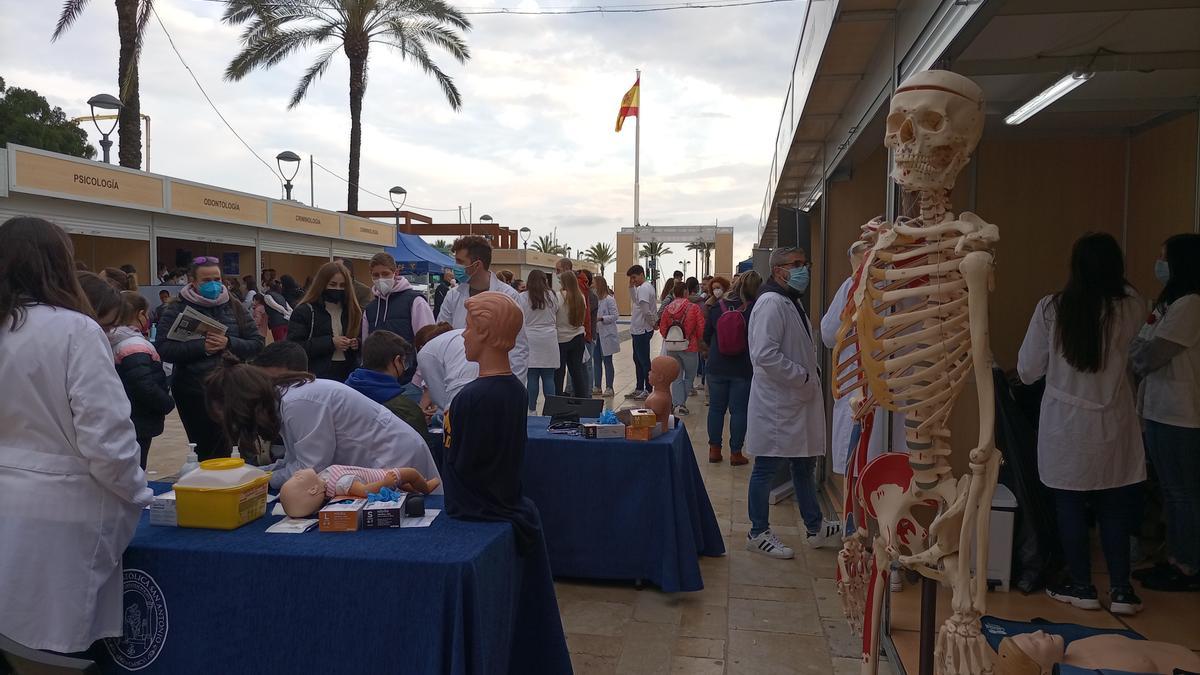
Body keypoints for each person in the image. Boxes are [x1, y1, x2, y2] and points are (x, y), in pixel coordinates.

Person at [0, 217, 152, 654]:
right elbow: (107, 439)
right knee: (52, 650)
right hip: (60, 515)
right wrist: (137, 492)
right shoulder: (74, 329)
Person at [1018, 233, 1146, 615]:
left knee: (1069, 505)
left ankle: (1082, 586)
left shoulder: (1051, 309)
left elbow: (1026, 371)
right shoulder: (1130, 307)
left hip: (1066, 425)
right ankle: (1122, 590)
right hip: (1114, 423)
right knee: (1113, 508)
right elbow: (1126, 294)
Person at [205, 354, 439, 491]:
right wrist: (257, 472)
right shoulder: (287, 399)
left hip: (393, 457)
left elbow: (308, 471)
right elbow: (295, 461)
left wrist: (254, 480)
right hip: (381, 458)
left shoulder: (298, 403)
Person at [745, 247, 840, 558]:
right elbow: (764, 355)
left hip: (794, 401)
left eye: (805, 264)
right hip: (778, 403)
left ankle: (815, 527)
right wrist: (800, 376)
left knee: (804, 463)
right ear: (778, 271)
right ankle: (758, 531)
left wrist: (807, 373)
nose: (803, 270)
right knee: (766, 467)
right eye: (796, 265)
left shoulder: (789, 301)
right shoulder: (772, 303)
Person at [1131, 232, 1200, 592]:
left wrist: (1140, 351)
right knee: (1172, 490)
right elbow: (1140, 346)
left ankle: (1186, 564)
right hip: (1160, 410)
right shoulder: (1170, 302)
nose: (1160, 264)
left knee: (1181, 492)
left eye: (1164, 257)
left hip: (1180, 415)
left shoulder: (1191, 304)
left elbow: (1149, 354)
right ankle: (1175, 557)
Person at [155, 255, 263, 461]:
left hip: (232, 387)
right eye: (206, 281)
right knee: (208, 450)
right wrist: (201, 347)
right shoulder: (176, 308)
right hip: (194, 391)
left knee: (239, 448)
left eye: (217, 279)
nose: (213, 285)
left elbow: (257, 344)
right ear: (192, 282)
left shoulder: (235, 306)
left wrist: (228, 343)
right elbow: (164, 348)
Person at [820, 242, 908, 476]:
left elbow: (828, 334)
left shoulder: (853, 286)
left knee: (861, 466)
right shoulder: (909, 285)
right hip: (887, 390)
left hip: (866, 391)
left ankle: (854, 513)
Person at [437, 235, 529, 383]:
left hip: (495, 380)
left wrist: (515, 385)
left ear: (477, 265)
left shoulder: (508, 296)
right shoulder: (453, 296)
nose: (455, 268)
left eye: (460, 262)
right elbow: (440, 338)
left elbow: (518, 347)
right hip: (456, 377)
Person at [108, 291, 175, 469]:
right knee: (137, 466)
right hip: (139, 418)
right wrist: (166, 402)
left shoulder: (112, 340)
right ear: (140, 315)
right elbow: (143, 384)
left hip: (126, 416)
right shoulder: (134, 346)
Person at [704, 271, 759, 465]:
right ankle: (736, 453)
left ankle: (714, 450)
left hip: (716, 366)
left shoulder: (716, 308)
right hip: (742, 368)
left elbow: (706, 335)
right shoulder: (752, 309)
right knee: (739, 411)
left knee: (716, 410)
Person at [364, 252, 435, 399]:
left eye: (385, 273)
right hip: (378, 384)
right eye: (376, 275)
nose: (380, 279)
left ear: (395, 272)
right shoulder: (370, 309)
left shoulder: (415, 302)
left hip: (409, 383)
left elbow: (429, 343)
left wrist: (418, 381)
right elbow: (366, 348)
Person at [344, 330, 431, 444]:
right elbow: (421, 451)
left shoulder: (344, 393)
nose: (405, 367)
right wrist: (418, 419)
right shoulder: (405, 410)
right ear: (396, 361)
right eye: (404, 362)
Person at [287, 261, 363, 382]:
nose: (337, 289)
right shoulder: (305, 310)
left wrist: (357, 343)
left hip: (348, 371)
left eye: (342, 285)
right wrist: (331, 342)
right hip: (317, 373)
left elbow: (363, 338)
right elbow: (294, 347)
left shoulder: (352, 310)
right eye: (332, 284)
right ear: (322, 284)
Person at [658, 281, 705, 416]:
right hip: (690, 346)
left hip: (672, 347)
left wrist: (672, 338)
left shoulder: (668, 309)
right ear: (686, 292)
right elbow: (701, 328)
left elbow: (662, 329)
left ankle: (678, 404)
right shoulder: (693, 308)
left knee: (677, 377)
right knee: (689, 377)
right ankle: (681, 404)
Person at [519, 269, 560, 412]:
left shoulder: (523, 297)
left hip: (530, 337)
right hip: (549, 338)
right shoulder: (552, 296)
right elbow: (557, 312)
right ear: (545, 280)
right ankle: (551, 411)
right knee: (549, 377)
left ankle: (531, 410)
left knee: (532, 377)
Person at [415, 322, 475, 415]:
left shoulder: (426, 352)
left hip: (461, 396)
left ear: (420, 347)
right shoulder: (460, 336)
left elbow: (442, 402)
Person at [556, 270, 589, 397]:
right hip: (578, 337)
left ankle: (558, 401)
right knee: (577, 372)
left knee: (559, 373)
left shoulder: (558, 296)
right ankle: (582, 400)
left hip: (561, 339)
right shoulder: (580, 297)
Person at [627, 264, 657, 400]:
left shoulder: (644, 288)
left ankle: (648, 389)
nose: (633, 280)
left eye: (634, 277)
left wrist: (653, 324)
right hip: (637, 330)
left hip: (643, 330)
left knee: (644, 361)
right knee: (637, 360)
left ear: (641, 274)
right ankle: (640, 387)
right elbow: (636, 301)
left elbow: (646, 311)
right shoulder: (641, 288)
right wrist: (630, 286)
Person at [593, 276, 619, 396]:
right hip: (596, 335)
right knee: (596, 361)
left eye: (594, 284)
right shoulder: (594, 299)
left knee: (607, 361)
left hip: (606, 334)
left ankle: (609, 387)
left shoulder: (609, 299)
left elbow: (615, 316)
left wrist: (602, 318)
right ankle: (597, 386)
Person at [580, 270, 600, 395]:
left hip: (588, 335)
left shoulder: (590, 296)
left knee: (587, 365)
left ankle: (588, 392)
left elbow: (584, 314)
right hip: (583, 335)